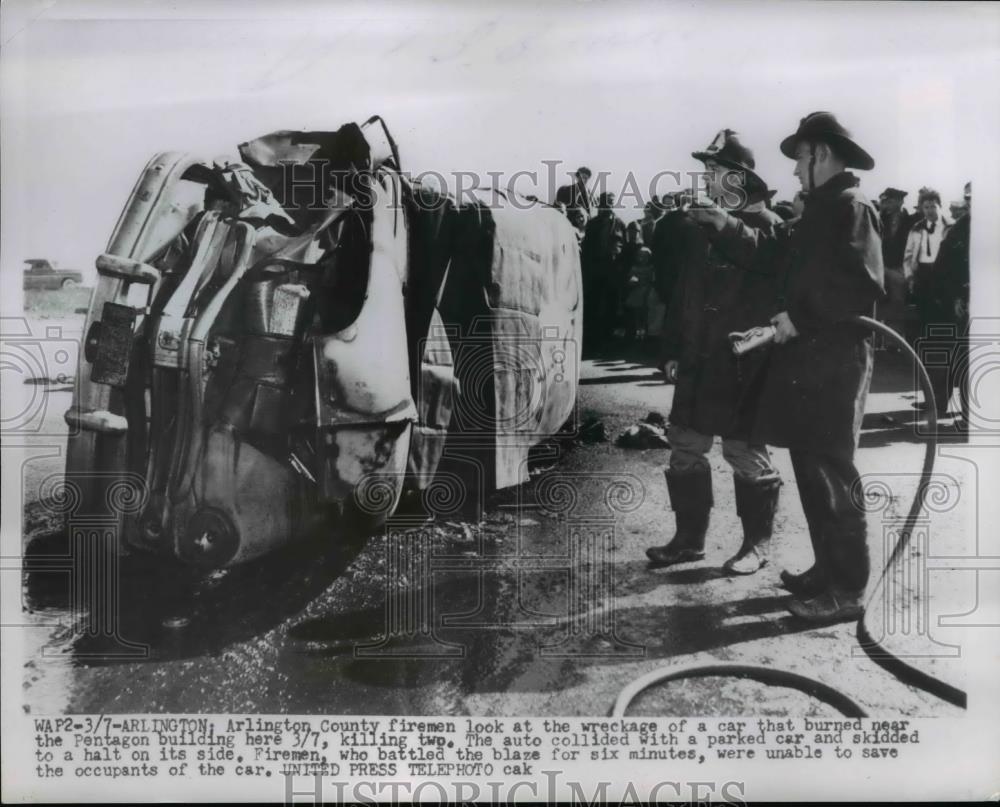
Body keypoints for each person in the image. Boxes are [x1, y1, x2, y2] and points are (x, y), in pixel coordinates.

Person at [687, 111, 885, 622]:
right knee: (813, 474)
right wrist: (724, 224)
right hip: (812, 364)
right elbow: (773, 250)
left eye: (799, 158)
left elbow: (860, 285)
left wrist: (800, 315)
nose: (795, 172)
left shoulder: (851, 206)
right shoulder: (823, 209)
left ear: (819, 153)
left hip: (835, 364)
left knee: (833, 477)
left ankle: (846, 590)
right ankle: (827, 570)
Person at [644, 129, 783, 575]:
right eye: (705, 170)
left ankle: (755, 547)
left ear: (740, 178)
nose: (705, 178)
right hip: (698, 361)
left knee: (744, 452)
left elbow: (772, 273)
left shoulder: (768, 227)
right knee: (684, 446)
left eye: (715, 171)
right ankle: (688, 541)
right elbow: (684, 294)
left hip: (745, 365)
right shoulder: (701, 227)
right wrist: (670, 349)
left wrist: (725, 226)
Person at [904, 187, 954, 413]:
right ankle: (932, 398)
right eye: (926, 207)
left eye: (933, 206)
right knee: (925, 342)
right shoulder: (916, 229)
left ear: (940, 206)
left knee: (942, 342)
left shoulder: (951, 229)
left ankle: (943, 399)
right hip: (923, 284)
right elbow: (907, 257)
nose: (930, 211)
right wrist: (911, 279)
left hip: (943, 287)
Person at [934, 181, 971, 429]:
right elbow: (942, 269)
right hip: (962, 304)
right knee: (964, 357)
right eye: (969, 199)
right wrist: (957, 297)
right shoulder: (958, 230)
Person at [580, 191, 626, 353]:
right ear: (601, 204)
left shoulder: (620, 224)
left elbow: (624, 248)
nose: (609, 205)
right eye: (606, 202)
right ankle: (592, 338)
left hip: (613, 270)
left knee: (611, 304)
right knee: (593, 303)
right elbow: (586, 249)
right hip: (595, 269)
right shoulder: (593, 224)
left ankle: (608, 337)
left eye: (612, 202)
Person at [877, 187, 913, 344]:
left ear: (900, 201)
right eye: (885, 201)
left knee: (897, 302)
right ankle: (877, 339)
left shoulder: (912, 220)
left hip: (900, 269)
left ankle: (894, 342)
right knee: (878, 301)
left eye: (891, 201)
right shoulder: (880, 219)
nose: (887, 204)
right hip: (881, 267)